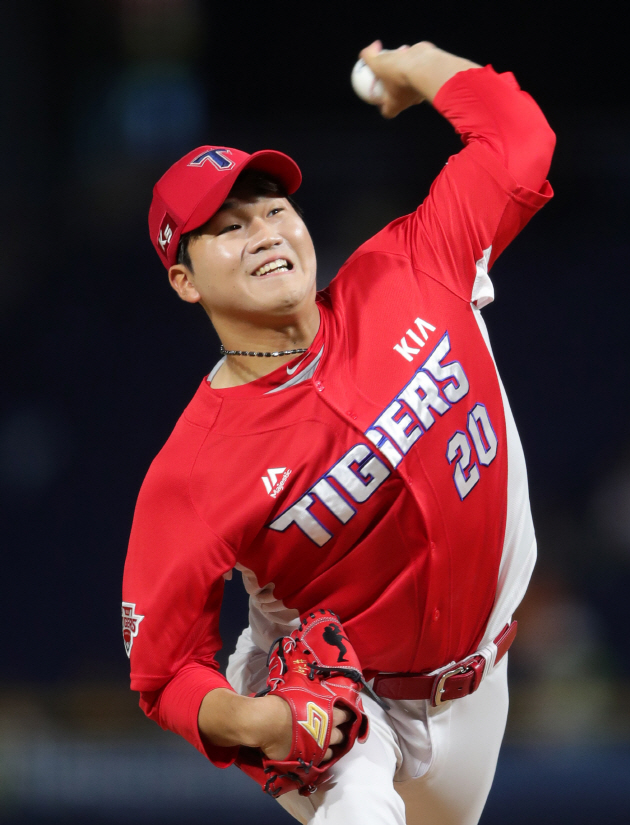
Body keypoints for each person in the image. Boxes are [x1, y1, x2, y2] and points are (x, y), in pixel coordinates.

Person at [122, 40, 555, 825]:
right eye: (227, 227)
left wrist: (416, 64)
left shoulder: (411, 266)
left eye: (273, 209)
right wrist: (260, 721)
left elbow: (518, 138)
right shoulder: (195, 467)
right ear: (184, 279)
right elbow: (164, 672)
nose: (265, 232)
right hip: (347, 709)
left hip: (483, 678)